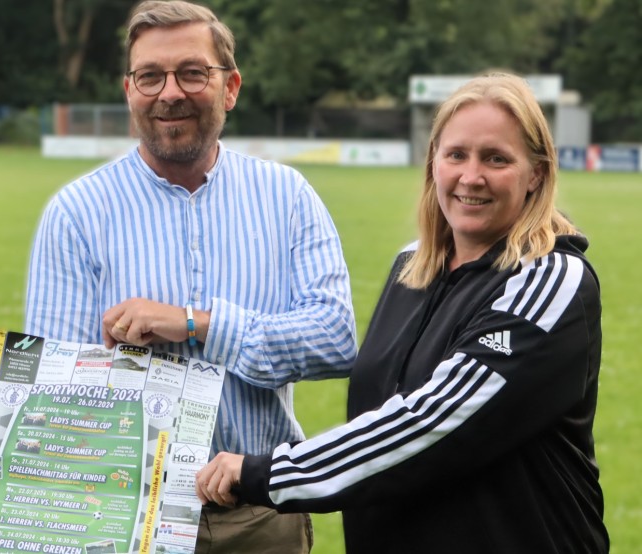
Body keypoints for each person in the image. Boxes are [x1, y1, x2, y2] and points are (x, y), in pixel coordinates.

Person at [195, 72, 609, 553]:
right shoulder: (411, 267)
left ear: (536, 172)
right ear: (433, 162)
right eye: (456, 155)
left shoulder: (550, 278)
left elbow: (431, 422)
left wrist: (265, 473)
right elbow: (378, 409)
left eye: (496, 159)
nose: (471, 177)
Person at [24, 2, 357, 552]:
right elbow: (54, 390)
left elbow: (336, 340)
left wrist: (196, 324)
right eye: (150, 76)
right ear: (129, 90)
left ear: (230, 87)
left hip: (261, 517)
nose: (170, 93)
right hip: (128, 521)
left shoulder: (288, 197)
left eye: (192, 72)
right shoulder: (77, 212)